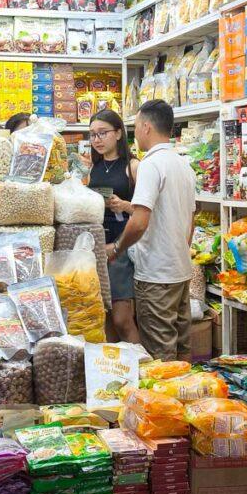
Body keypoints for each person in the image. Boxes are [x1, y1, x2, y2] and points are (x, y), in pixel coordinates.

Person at [106, 99, 196, 361]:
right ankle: (187, 400)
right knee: (182, 352)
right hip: (180, 270)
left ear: (146, 127)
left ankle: (164, 401)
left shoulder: (150, 164)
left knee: (160, 356)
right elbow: (191, 220)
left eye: (136, 126)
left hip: (156, 275)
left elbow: (140, 220)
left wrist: (116, 247)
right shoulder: (184, 165)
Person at [86, 109, 140, 343]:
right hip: (97, 246)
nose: (97, 140)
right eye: (92, 135)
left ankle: (141, 369)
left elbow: (146, 212)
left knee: (122, 318)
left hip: (123, 246)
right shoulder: (93, 168)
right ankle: (114, 370)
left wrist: (125, 206)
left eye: (103, 133)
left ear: (118, 133)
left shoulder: (134, 166)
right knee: (103, 316)